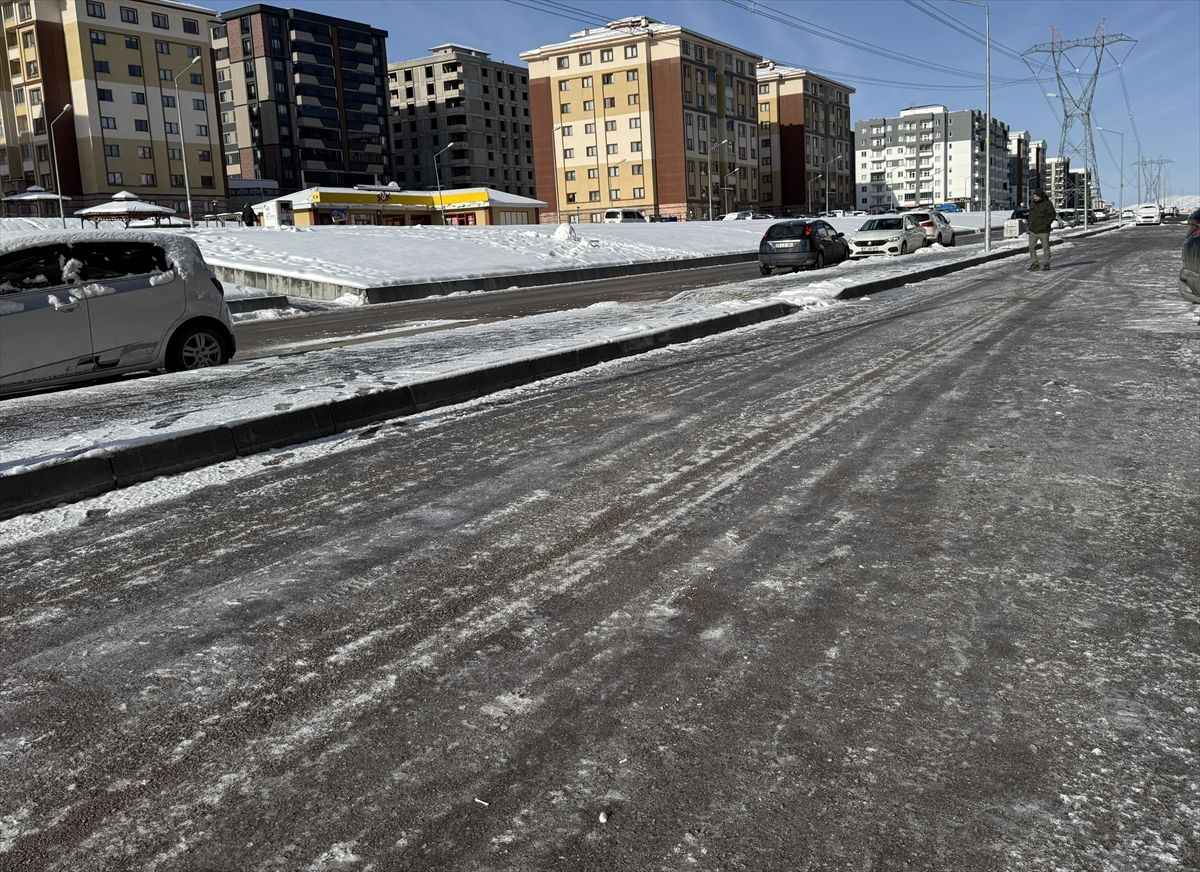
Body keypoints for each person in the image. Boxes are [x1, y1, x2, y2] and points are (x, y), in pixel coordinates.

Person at [1027, 190, 1056, 271]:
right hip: (1033, 230)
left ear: (1040, 196)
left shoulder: (1047, 203)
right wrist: (1029, 225)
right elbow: (1031, 215)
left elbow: (1053, 214)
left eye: (1036, 196)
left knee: (1045, 247)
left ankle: (1046, 263)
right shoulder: (1032, 203)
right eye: (1034, 196)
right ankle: (1035, 263)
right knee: (1031, 247)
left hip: (1044, 230)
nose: (1034, 197)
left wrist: (1047, 223)